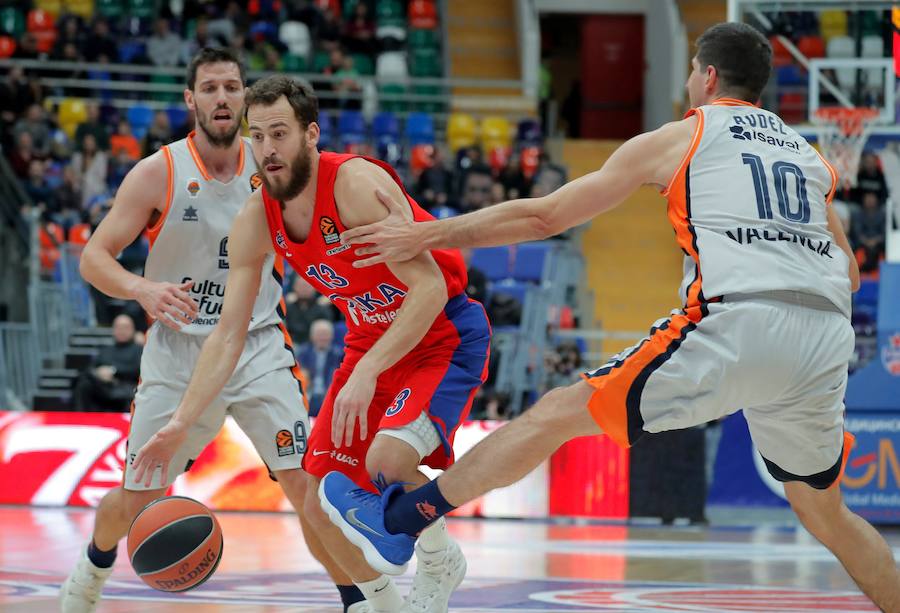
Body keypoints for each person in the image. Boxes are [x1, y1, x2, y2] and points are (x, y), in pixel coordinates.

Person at [320, 22, 900, 612]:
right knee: (825, 510)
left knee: (556, 412)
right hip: (827, 335)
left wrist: (431, 231)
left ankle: (400, 519)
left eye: (691, 75)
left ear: (708, 76)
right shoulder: (808, 158)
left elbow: (546, 218)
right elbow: (850, 272)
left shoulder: (685, 135)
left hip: (741, 318)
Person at [130, 75, 491, 613]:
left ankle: (439, 556)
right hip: (370, 341)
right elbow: (229, 332)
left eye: (280, 133)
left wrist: (367, 372)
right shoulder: (255, 219)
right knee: (317, 500)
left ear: (311, 135)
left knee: (386, 460)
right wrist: (182, 420)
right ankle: (380, 604)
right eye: (258, 135)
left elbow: (430, 288)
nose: (268, 148)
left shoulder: (354, 187)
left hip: (440, 334)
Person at [60, 48, 352, 613]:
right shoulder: (158, 171)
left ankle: (357, 598)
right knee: (136, 496)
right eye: (210, 88)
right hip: (178, 351)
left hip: (257, 343)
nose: (222, 97)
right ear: (190, 99)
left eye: (232, 87)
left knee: (304, 487)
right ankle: (90, 574)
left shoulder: (271, 165)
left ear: (245, 100)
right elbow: (93, 257)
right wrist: (142, 289)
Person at [73, 314, 143, 412]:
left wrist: (113, 371)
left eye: (125, 327)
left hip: (127, 387)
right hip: (104, 387)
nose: (122, 330)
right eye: (118, 327)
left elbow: (137, 369)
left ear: (133, 329)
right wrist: (98, 373)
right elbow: (90, 368)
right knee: (84, 383)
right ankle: (81, 420)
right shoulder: (105, 350)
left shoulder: (139, 350)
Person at [296, 318, 343, 416]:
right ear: (312, 336)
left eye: (325, 334)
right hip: (308, 395)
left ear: (331, 336)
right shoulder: (302, 353)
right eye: (319, 334)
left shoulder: (339, 355)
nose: (322, 338)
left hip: (329, 396)